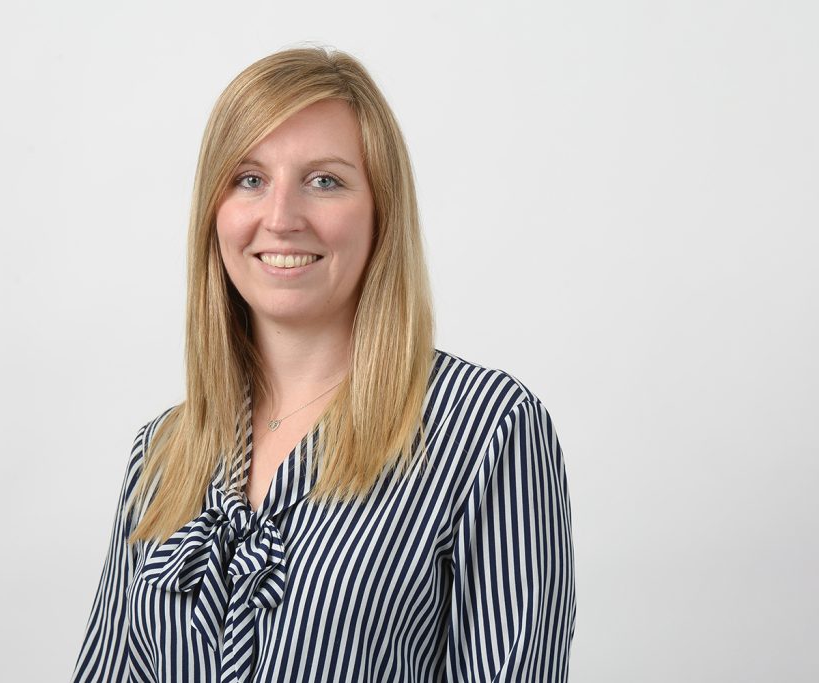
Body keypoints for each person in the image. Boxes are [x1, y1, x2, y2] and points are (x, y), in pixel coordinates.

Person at [71, 46, 576, 683]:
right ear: (214, 213)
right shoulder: (163, 454)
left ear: (381, 215)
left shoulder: (487, 430)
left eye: (325, 180)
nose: (280, 219)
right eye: (249, 179)